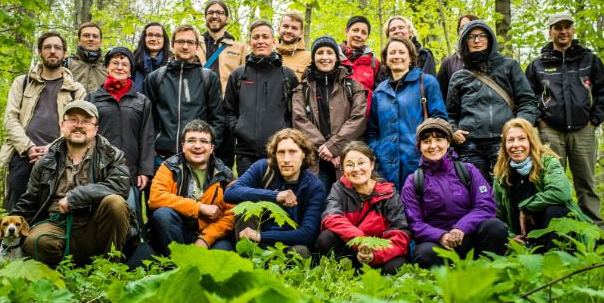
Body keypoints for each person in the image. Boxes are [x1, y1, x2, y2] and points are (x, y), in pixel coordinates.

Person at [525, 12, 604, 237]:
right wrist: (540, 121)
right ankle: (556, 234)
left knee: (586, 185)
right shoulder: (538, 64)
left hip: (583, 131)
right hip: (550, 133)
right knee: (552, 186)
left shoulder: (589, 59)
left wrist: (594, 121)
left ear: (573, 30)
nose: (563, 31)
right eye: (558, 27)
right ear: (550, 32)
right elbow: (527, 95)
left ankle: (598, 235)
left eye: (567, 26)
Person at [14, 100, 132, 268]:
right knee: (36, 241)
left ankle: (109, 271)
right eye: (73, 120)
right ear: (63, 125)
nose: (79, 125)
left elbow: (120, 187)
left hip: (95, 226)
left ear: (95, 128)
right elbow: (28, 202)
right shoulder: (45, 162)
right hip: (56, 224)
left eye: (85, 121)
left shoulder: (112, 155)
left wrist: (75, 197)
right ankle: (59, 277)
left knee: (115, 203)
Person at [400, 118, 508, 268]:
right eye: (426, 141)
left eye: (439, 139)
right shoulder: (413, 181)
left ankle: (491, 277)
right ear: (420, 146)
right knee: (424, 253)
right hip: (438, 243)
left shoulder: (468, 170)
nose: (433, 146)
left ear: (448, 142)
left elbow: (486, 205)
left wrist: (461, 228)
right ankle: (441, 289)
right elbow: (414, 223)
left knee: (495, 227)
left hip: (470, 236)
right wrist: (441, 236)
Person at [1, 31, 86, 212]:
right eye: (47, 47)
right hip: (23, 157)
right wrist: (29, 147)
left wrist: (51, 149)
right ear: (39, 52)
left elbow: (78, 127)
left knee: (51, 213)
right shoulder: (22, 82)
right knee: (17, 213)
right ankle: (13, 242)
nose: (52, 51)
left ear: (64, 52)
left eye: (57, 47)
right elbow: (10, 120)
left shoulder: (76, 90)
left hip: (59, 159)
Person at [446, 20, 536, 184]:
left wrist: (520, 129)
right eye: (471, 37)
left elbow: (527, 101)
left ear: (490, 39)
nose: (477, 40)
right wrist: (453, 131)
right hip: (469, 146)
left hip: (504, 141)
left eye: (482, 36)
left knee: (507, 192)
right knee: (476, 194)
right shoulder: (459, 76)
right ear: (464, 42)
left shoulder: (509, 66)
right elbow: (450, 113)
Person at [493, 118, 594, 252]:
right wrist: (511, 236)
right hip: (525, 238)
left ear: (531, 141)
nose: (516, 145)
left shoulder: (547, 161)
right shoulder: (502, 173)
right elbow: (498, 215)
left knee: (556, 210)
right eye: (510, 140)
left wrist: (526, 208)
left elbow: (562, 193)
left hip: (553, 232)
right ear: (504, 145)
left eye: (522, 139)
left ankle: (558, 261)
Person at [223, 129, 326, 258]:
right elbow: (230, 192)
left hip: (285, 244)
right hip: (252, 241)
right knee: (245, 208)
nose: (286, 159)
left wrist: (261, 236)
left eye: (293, 152)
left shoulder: (314, 187)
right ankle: (249, 264)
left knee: (301, 253)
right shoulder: (262, 168)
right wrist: (274, 196)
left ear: (304, 154)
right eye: (281, 152)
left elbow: (308, 233)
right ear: (274, 155)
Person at [316, 141, 412, 275]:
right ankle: (346, 277)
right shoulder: (339, 188)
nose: (356, 169)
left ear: (372, 165)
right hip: (353, 251)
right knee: (326, 238)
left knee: (398, 265)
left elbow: (400, 234)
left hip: (379, 254)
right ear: (343, 168)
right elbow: (331, 218)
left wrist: (374, 254)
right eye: (350, 165)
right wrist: (360, 240)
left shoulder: (389, 193)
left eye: (361, 163)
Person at [366, 36, 447, 190]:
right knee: (390, 212)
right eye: (392, 53)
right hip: (386, 169)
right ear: (385, 59)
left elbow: (440, 120)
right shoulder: (379, 92)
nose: (397, 56)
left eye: (401, 52)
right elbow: (373, 131)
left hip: (420, 163)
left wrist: (427, 148)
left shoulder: (427, 82)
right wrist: (378, 150)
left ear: (410, 57)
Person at [292, 35, 367, 194]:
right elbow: (299, 121)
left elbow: (358, 119)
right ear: (313, 57)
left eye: (329, 52)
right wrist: (326, 150)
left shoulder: (353, 87)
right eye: (320, 53)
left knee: (349, 206)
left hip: (348, 156)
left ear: (336, 57)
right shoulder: (301, 89)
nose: (325, 57)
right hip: (315, 160)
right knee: (318, 207)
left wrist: (334, 147)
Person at [84, 47, 154, 217]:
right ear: (107, 67)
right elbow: (84, 135)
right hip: (96, 171)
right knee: (96, 221)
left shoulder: (141, 101)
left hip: (129, 173)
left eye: (125, 64)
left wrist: (145, 170)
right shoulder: (91, 98)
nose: (120, 67)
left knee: (128, 220)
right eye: (115, 63)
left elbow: (147, 137)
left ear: (130, 70)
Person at [224, 20, 299, 177]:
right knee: (249, 199)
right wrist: (238, 129)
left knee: (278, 198)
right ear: (250, 43)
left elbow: (296, 113)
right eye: (256, 37)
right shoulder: (238, 75)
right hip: (245, 153)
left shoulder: (287, 75)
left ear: (273, 41)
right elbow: (228, 110)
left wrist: (285, 131)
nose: (260, 41)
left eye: (265, 37)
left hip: (280, 152)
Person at [148, 120, 235, 255]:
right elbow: (156, 198)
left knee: (223, 254)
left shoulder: (225, 175)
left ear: (212, 148)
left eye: (204, 141)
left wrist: (205, 239)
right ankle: (176, 266)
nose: (197, 146)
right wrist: (199, 207)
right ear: (183, 146)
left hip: (212, 236)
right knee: (163, 215)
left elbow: (231, 215)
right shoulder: (169, 167)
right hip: (178, 232)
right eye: (191, 140)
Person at [144, 23, 224, 169]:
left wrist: (209, 150)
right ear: (173, 45)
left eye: (190, 42)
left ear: (197, 46)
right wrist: (153, 146)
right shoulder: (155, 78)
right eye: (180, 42)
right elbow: (147, 118)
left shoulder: (209, 79)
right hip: (161, 159)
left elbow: (218, 119)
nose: (185, 46)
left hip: (197, 158)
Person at [196, 0, 248, 171]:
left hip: (227, 112)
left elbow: (246, 81)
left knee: (223, 163)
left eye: (219, 12)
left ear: (226, 18)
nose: (214, 15)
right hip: (199, 109)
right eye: (210, 12)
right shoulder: (194, 45)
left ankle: (221, 196)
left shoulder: (240, 48)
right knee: (197, 156)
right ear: (205, 17)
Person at [339, 16, 381, 113]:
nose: (359, 35)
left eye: (364, 33)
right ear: (346, 31)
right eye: (355, 30)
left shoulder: (374, 63)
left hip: (365, 121)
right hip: (337, 119)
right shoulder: (333, 59)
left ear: (367, 37)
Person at [436, 14, 479, 101]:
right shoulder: (448, 63)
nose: (467, 29)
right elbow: (439, 96)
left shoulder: (493, 60)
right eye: (463, 27)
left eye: (471, 25)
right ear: (459, 32)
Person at [65, 22, 107, 93]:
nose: (91, 39)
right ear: (79, 40)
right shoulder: (66, 64)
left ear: (100, 42)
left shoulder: (108, 67)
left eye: (95, 36)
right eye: (86, 35)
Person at [133, 22, 171, 94]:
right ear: (144, 38)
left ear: (164, 39)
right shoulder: (133, 59)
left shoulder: (172, 61)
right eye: (150, 35)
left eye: (158, 35)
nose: (153, 39)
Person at [276, 11, 311, 79]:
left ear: (301, 34)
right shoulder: (269, 57)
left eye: (294, 28)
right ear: (279, 29)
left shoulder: (310, 59)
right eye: (285, 26)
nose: (289, 31)